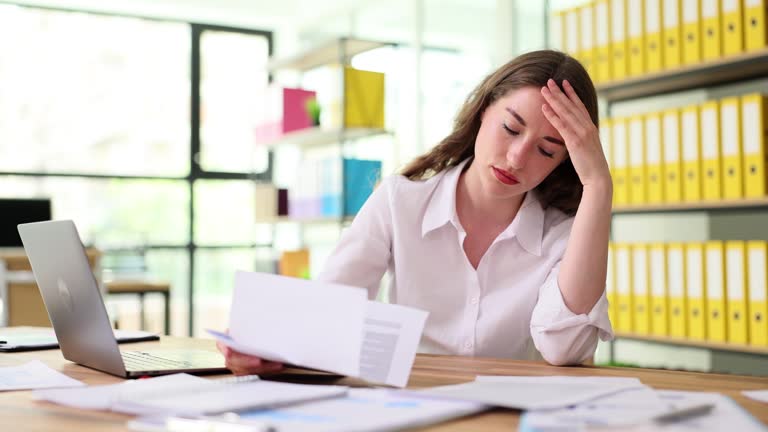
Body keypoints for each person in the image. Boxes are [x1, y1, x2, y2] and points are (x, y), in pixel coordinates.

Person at [219, 50, 614, 375]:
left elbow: (562, 349)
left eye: (546, 150)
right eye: (510, 128)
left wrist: (598, 185)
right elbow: (331, 306)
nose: (516, 158)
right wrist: (266, 347)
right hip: (407, 407)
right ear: (483, 111)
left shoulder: (563, 234)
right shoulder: (399, 202)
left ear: (563, 161)